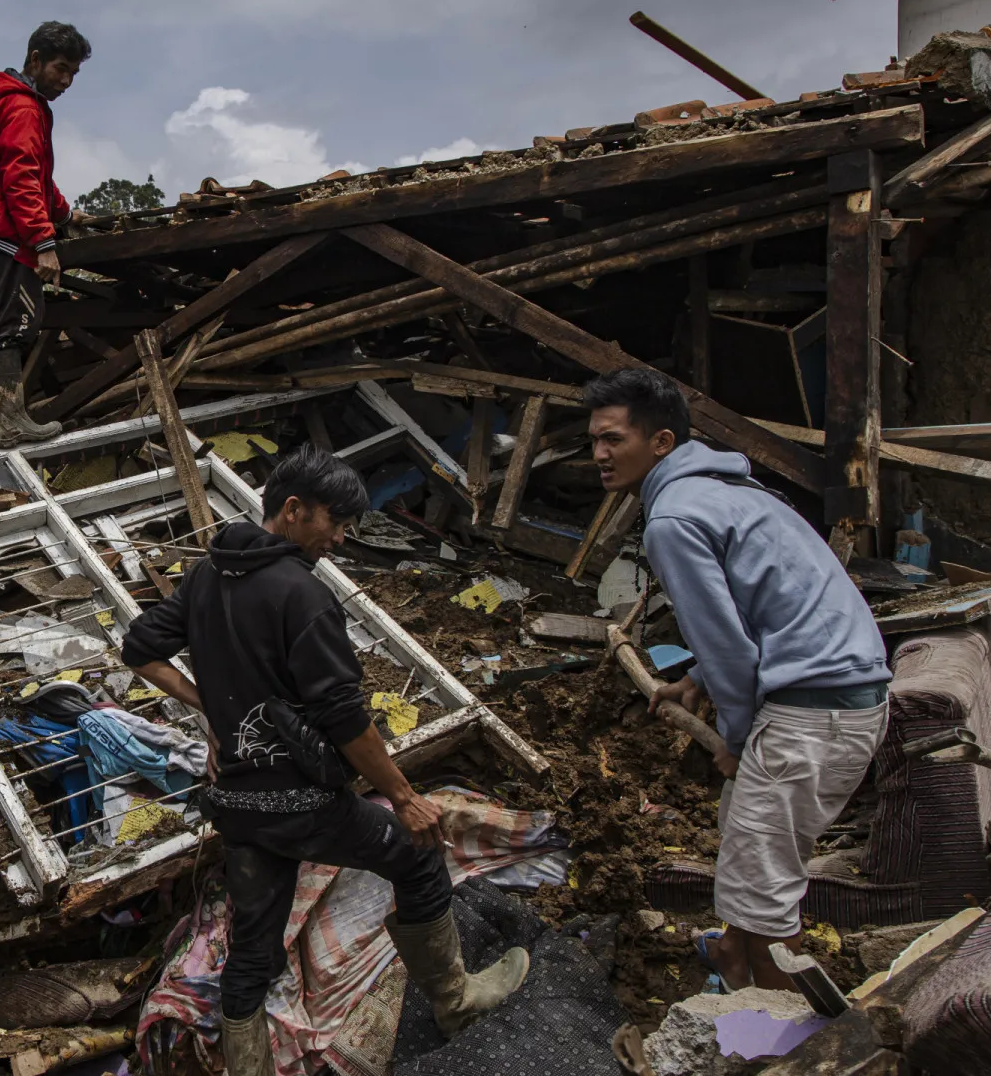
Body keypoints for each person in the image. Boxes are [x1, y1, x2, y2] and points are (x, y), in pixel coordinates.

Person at [120, 446, 529, 1075]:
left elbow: (141, 647)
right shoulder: (301, 595)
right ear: (293, 510)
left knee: (254, 947)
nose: (339, 539)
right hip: (304, 803)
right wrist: (403, 795)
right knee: (418, 859)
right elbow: (343, 717)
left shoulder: (207, 574)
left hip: (238, 804)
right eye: (334, 523)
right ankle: (457, 1001)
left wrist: (215, 711)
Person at [584, 367, 891, 993]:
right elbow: (760, 612)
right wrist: (696, 678)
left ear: (661, 442)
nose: (599, 455)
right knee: (752, 848)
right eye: (594, 440)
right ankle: (730, 953)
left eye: (614, 439)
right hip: (839, 698)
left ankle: (786, 1030)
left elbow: (726, 644)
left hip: (811, 717)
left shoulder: (673, 519)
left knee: (767, 892)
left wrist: (739, 736)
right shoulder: (731, 493)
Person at [0, 20, 88, 448]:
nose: (65, 81)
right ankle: (9, 422)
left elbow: (35, 176)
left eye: (73, 74)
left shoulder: (4, 102)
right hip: (7, 236)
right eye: (60, 69)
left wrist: (63, 213)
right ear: (36, 60)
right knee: (14, 326)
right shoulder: (24, 107)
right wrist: (44, 242)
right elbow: (21, 180)